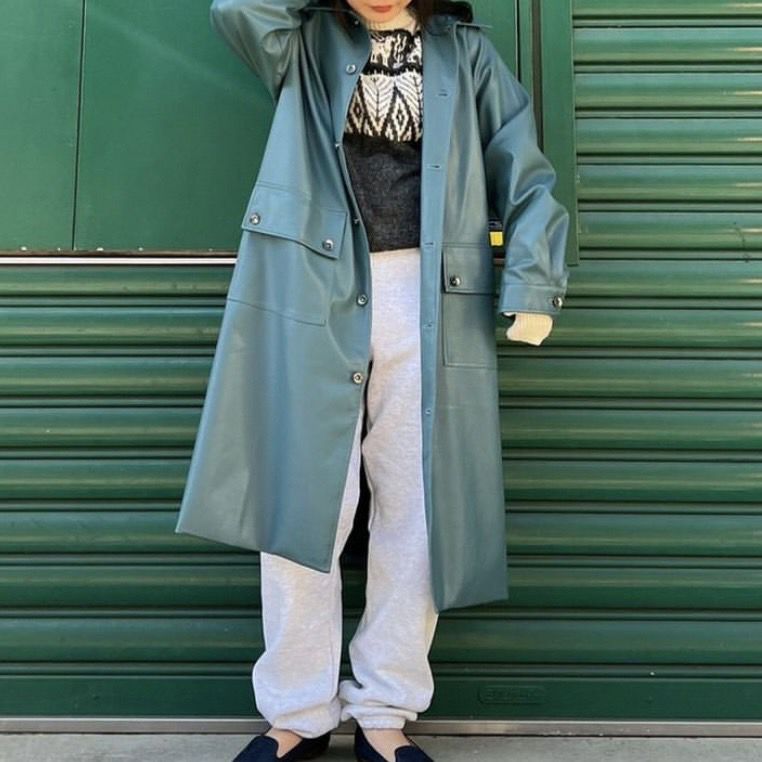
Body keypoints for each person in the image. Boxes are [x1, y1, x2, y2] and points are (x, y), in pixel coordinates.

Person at [200, 1, 570, 760]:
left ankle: (385, 711)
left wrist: (533, 280)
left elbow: (525, 171)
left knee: (419, 505)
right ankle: (297, 713)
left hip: (431, 294)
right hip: (311, 287)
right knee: (302, 499)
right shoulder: (302, 39)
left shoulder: (466, 53)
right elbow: (235, 7)